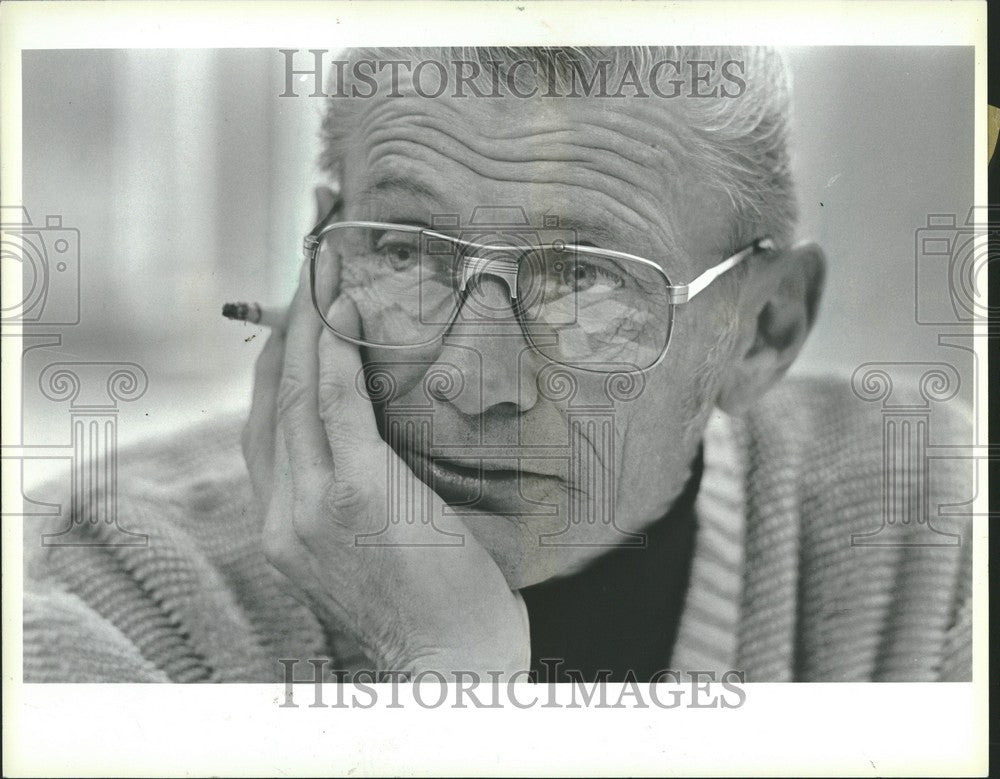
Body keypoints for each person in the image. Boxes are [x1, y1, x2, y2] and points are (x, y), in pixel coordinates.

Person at [23, 46, 972, 683]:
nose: (471, 382)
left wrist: (449, 671)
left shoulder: (930, 530)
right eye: (404, 252)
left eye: (588, 280)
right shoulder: (110, 595)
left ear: (764, 330)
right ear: (319, 252)